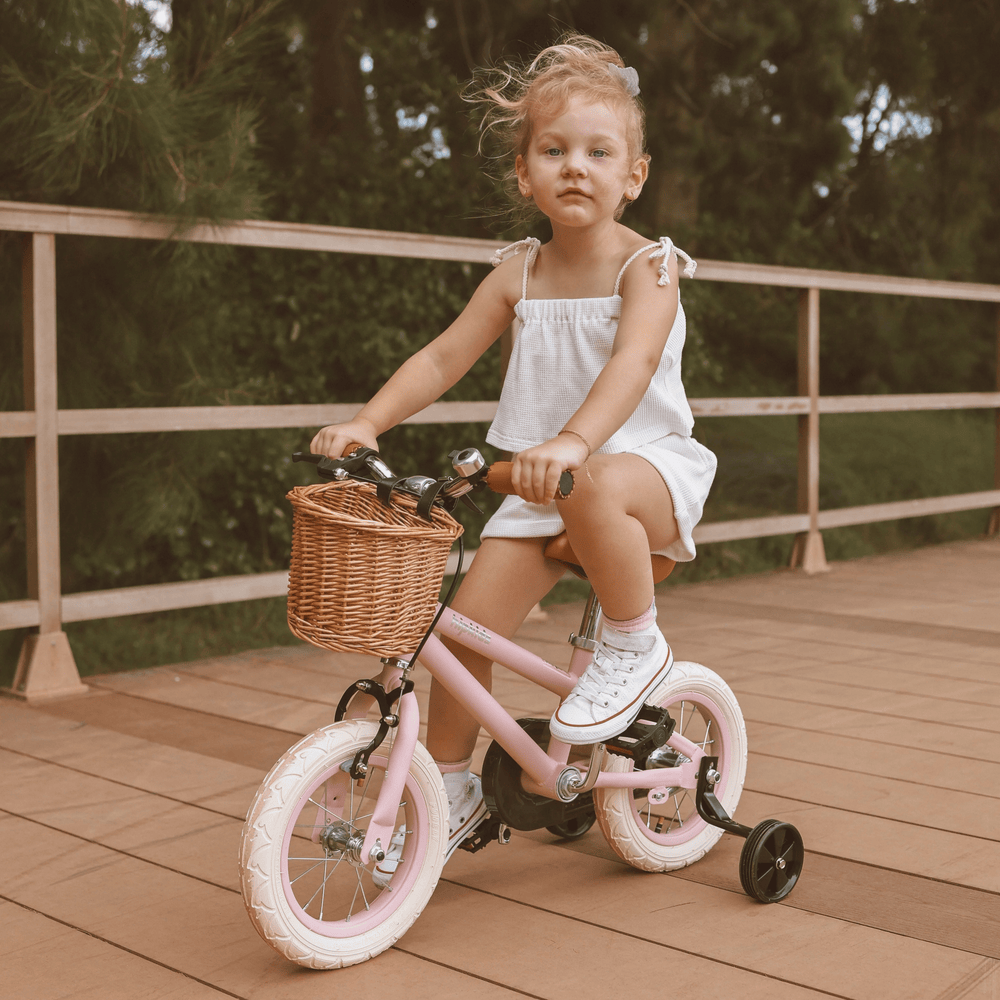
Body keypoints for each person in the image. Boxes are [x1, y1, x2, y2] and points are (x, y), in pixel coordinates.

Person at [310, 34, 717, 866]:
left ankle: (634, 642)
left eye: (600, 152)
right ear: (524, 175)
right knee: (460, 631)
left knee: (591, 481)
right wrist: (369, 423)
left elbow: (634, 362)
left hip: (643, 471)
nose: (577, 167)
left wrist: (571, 439)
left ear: (633, 176)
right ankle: (453, 783)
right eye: (554, 150)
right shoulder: (516, 274)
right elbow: (439, 358)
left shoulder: (652, 267)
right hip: (545, 484)